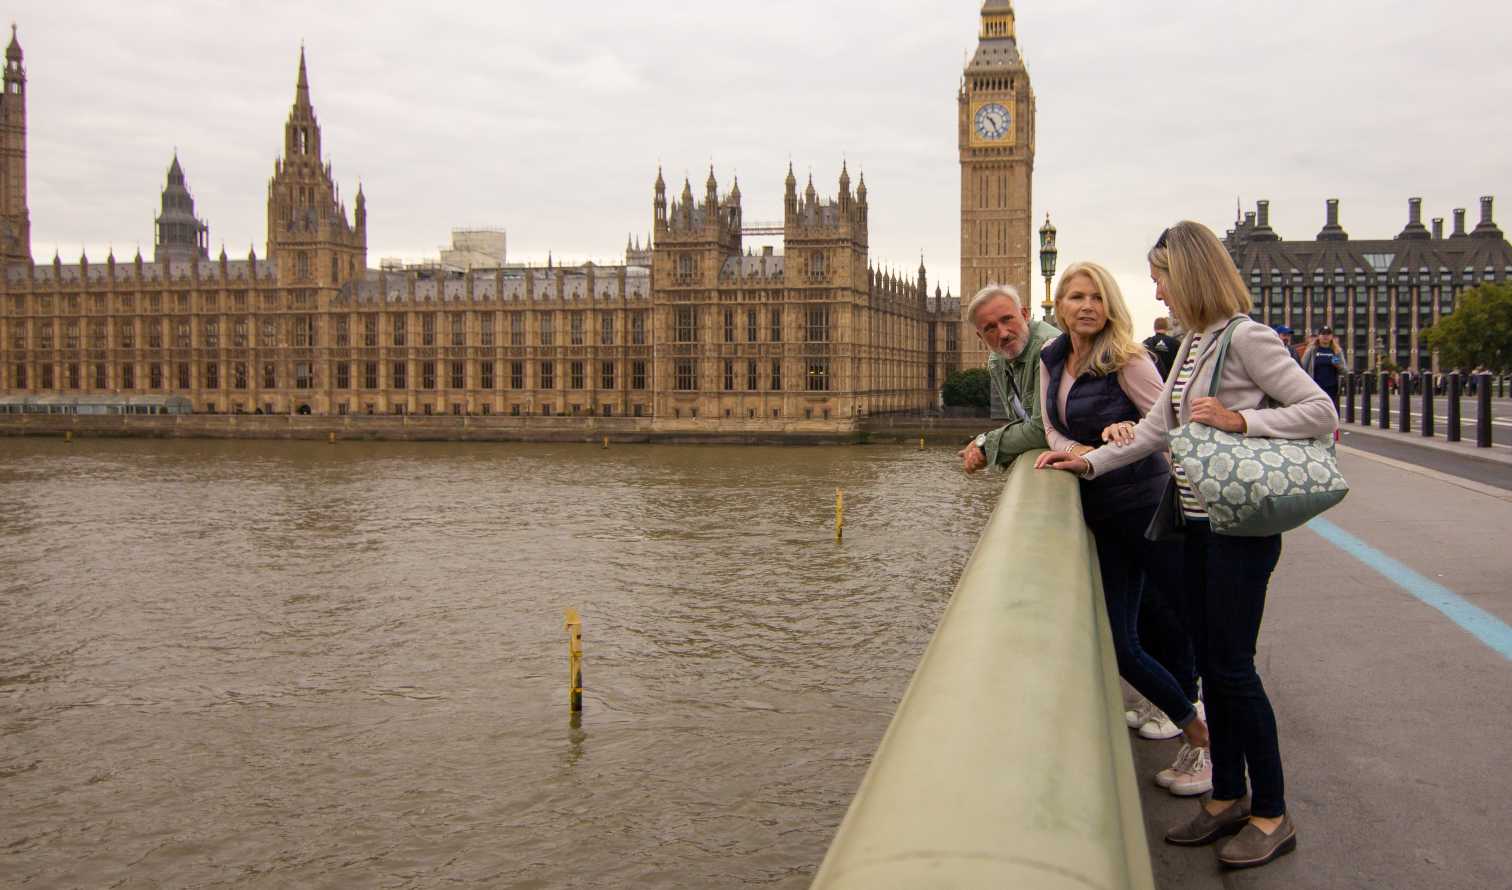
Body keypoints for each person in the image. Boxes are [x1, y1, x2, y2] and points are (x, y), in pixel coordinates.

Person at [1038, 221, 1337, 869]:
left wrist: (1241, 419)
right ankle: (1226, 795)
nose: (1156, 288)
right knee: (1209, 656)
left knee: (1232, 669)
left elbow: (1320, 412)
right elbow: (1155, 431)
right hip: (1197, 523)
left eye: (1162, 276)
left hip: (1240, 530)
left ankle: (1272, 812)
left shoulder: (1246, 338)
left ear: (1191, 274)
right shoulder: (1195, 342)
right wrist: (1089, 465)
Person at [1037, 261, 1209, 794]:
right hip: (1104, 511)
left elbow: (1168, 424)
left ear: (1110, 306)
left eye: (1096, 297)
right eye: (1075, 297)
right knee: (1120, 635)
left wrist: (1131, 427)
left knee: (1182, 622)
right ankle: (1196, 726)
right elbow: (1050, 427)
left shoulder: (1128, 359)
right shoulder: (1052, 360)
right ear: (1060, 306)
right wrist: (1075, 452)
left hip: (1148, 503)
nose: (1086, 306)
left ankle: (1205, 748)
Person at [958, 284, 1060, 473]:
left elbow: (1043, 429)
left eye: (1007, 319)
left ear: (1025, 314)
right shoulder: (997, 362)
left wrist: (985, 446)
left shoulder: (1048, 349)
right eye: (990, 328)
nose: (1003, 334)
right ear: (980, 337)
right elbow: (1023, 423)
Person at [1301, 326, 1346, 412]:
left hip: (1332, 388)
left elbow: (1344, 370)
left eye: (1328, 334)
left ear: (1331, 336)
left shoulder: (1337, 351)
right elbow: (1303, 367)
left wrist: (1338, 365)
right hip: (1315, 387)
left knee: (1330, 410)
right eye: (1323, 334)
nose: (1325, 336)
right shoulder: (1312, 350)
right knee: (1316, 410)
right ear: (1319, 336)